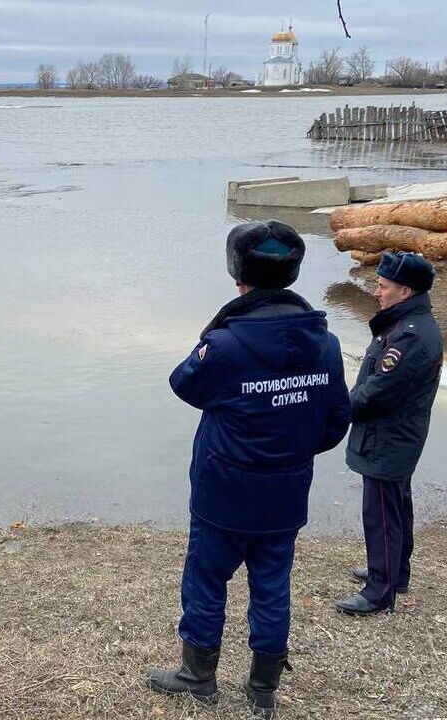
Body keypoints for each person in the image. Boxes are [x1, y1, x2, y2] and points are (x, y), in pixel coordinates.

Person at [146, 221, 351, 717]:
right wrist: (289, 452)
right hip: (285, 492)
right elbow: (335, 422)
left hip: (224, 491)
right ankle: (262, 689)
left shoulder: (227, 344)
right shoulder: (323, 342)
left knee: (205, 581)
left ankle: (198, 674)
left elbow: (184, 384)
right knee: (272, 585)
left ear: (238, 273)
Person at [335, 251, 442, 616]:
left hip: (389, 436)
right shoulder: (406, 325)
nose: (376, 292)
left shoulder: (410, 337)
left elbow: (377, 391)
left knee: (380, 512)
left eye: (382, 286)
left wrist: (335, 412)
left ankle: (379, 590)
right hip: (396, 434)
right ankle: (396, 572)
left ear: (405, 291)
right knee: (395, 504)